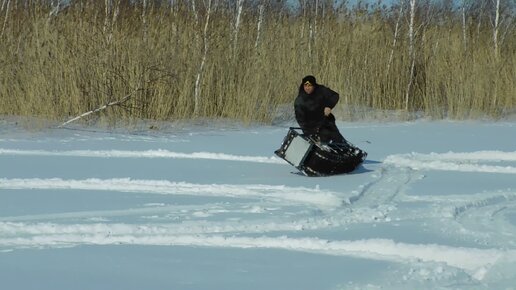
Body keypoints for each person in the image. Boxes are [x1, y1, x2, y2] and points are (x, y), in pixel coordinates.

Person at [294, 75, 346, 144]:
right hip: (313, 127)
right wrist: (308, 132)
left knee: (338, 141)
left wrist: (329, 106)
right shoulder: (300, 100)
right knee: (325, 144)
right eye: (305, 86)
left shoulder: (321, 90)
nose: (307, 88)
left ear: (314, 86)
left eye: (310, 86)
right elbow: (300, 118)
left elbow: (335, 95)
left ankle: (352, 152)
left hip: (327, 122)